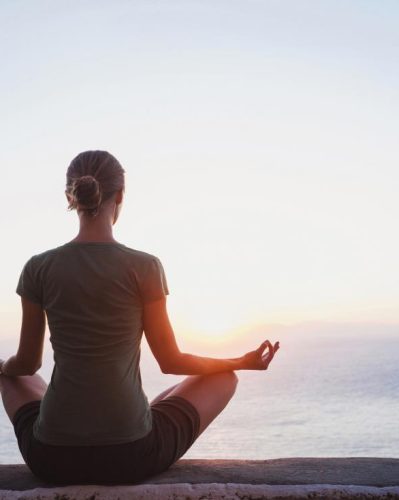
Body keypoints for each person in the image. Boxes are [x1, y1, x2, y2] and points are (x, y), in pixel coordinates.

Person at [0, 150, 280, 485]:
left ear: (69, 197)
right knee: (225, 377)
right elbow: (171, 361)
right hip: (130, 456)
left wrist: (4, 369)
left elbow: (27, 364)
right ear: (120, 196)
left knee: (8, 374)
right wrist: (240, 361)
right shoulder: (144, 266)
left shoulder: (38, 267)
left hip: (51, 457)